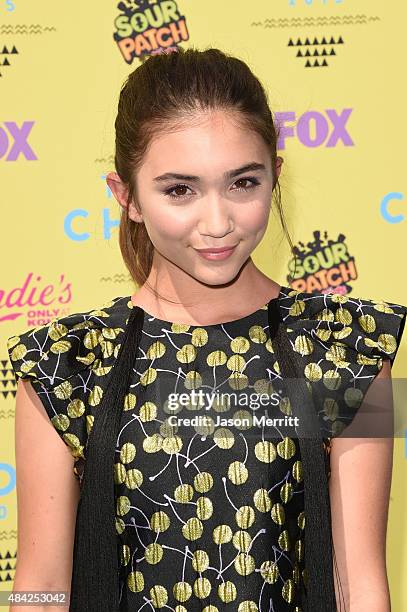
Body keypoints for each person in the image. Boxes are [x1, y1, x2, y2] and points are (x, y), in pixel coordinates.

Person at [7, 47, 407, 612]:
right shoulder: (64, 365)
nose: (217, 223)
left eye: (243, 183)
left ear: (275, 176)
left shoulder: (351, 350)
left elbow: (359, 583)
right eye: (179, 190)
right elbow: (42, 584)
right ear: (128, 199)